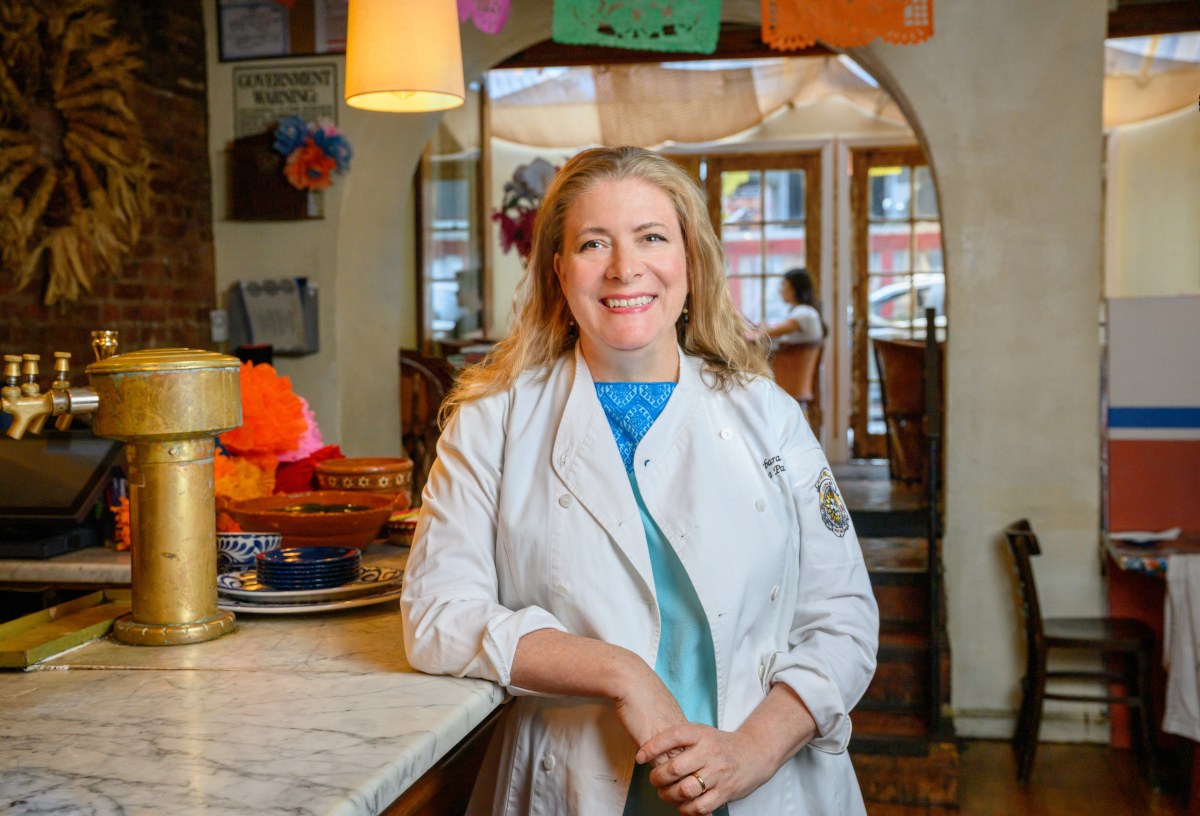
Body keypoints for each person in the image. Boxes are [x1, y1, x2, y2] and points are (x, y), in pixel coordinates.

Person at [401, 147, 878, 816]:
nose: (626, 268)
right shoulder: (492, 419)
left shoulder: (767, 411)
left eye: (652, 237)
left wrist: (755, 749)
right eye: (594, 243)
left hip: (772, 785)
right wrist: (620, 673)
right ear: (558, 269)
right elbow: (436, 616)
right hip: (572, 783)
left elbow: (844, 618)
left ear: (689, 260)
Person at [759, 268, 824, 347]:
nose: (780, 290)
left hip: (795, 359)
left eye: (783, 285)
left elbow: (767, 335)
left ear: (794, 288)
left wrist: (762, 324)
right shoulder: (806, 311)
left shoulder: (803, 313)